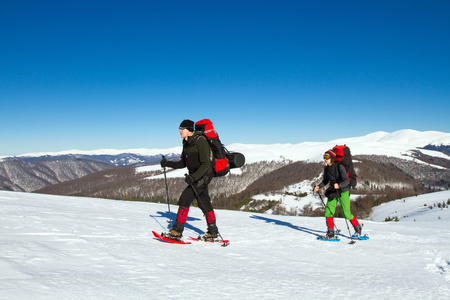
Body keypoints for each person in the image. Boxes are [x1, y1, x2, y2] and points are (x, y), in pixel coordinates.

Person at [160, 119, 219, 241]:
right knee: (204, 202)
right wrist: (167, 163)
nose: (180, 131)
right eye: (179, 129)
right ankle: (213, 231)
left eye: (182, 129)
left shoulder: (200, 141)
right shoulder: (186, 143)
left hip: (203, 175)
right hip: (196, 176)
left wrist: (194, 177)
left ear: (189, 130)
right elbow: (183, 163)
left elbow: (206, 164)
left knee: (185, 199)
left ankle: (177, 231)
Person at [314, 149, 362, 239]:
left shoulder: (340, 166)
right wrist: (318, 186)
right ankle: (330, 232)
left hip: (343, 190)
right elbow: (325, 181)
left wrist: (339, 185)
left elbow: (346, 181)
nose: (325, 159)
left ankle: (358, 227)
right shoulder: (327, 169)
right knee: (328, 211)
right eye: (324, 157)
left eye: (327, 157)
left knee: (346, 213)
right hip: (333, 190)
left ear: (332, 157)